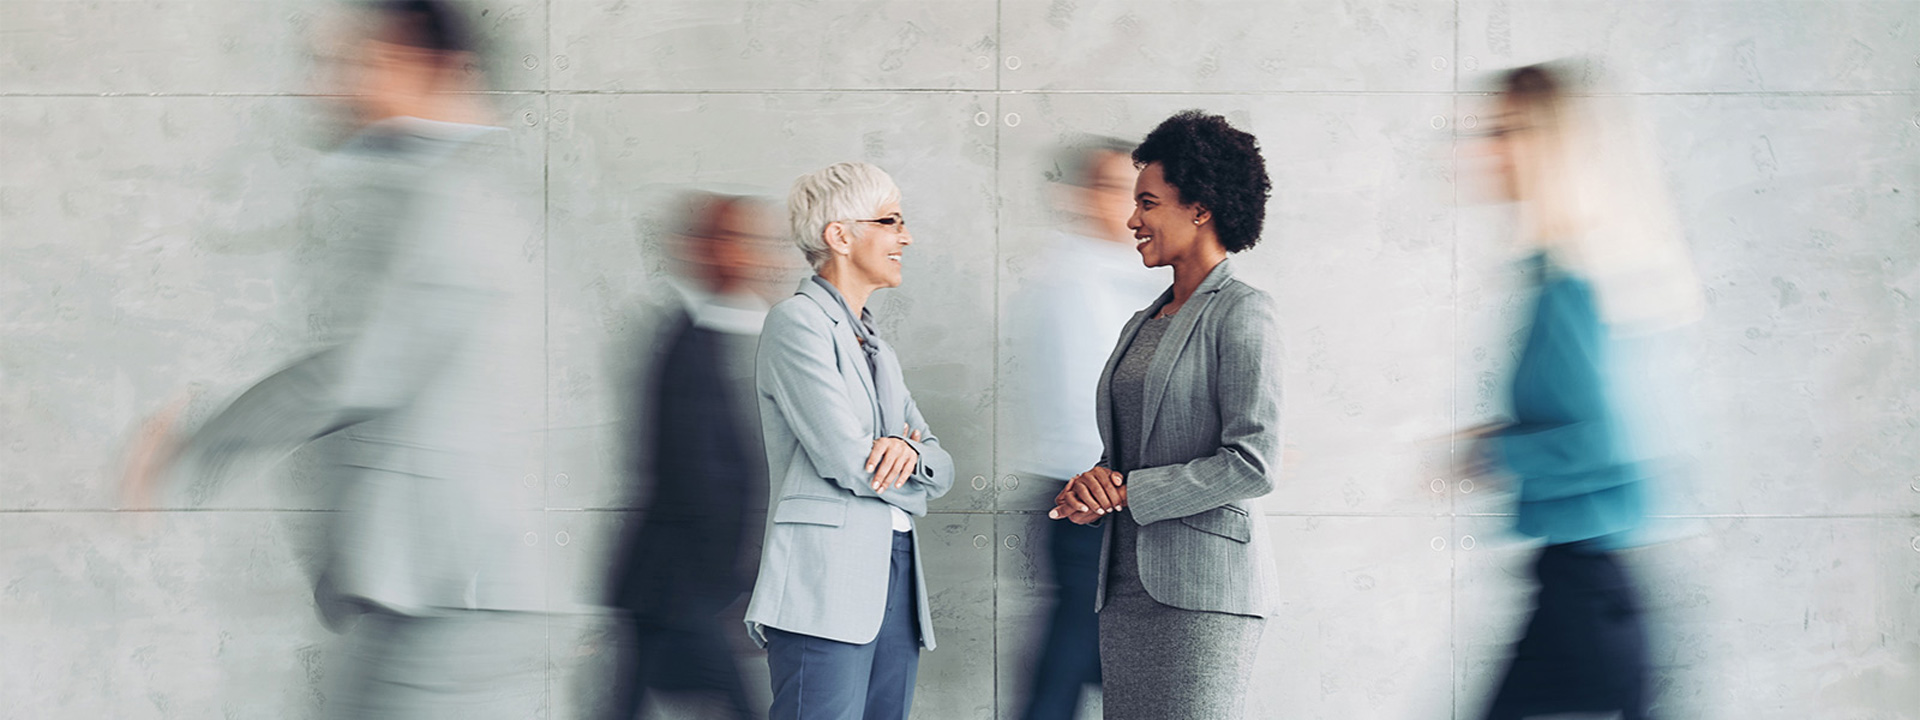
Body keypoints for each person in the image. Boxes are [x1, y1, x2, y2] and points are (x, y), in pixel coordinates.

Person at [119, 2, 548, 717]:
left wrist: (190, 449)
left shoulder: (451, 199)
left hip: (449, 593)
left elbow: (359, 373)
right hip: (444, 592)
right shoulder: (441, 188)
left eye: (368, 63)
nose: (338, 84)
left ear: (438, 70)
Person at [1464, 62, 1705, 720]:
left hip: (1586, 591)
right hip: (1591, 586)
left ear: (1555, 145)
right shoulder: (1587, 269)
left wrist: (1491, 453)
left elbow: (1604, 439)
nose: (1487, 150)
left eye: (1507, 131)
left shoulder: (1573, 280)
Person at [1047, 111, 1283, 720]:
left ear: (1200, 208)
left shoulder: (1242, 311)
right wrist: (1097, 486)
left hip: (1203, 593)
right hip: (1123, 588)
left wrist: (1129, 491)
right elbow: (1129, 450)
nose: (1132, 220)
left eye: (1147, 203)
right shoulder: (1142, 321)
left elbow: (1253, 463)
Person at [744, 162, 955, 720]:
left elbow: (943, 464)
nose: (906, 237)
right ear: (839, 235)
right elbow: (846, 459)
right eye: (891, 221)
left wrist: (908, 451)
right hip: (825, 581)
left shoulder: (879, 347)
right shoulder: (797, 323)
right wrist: (911, 466)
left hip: (898, 572)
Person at [602, 193, 784, 720]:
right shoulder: (687, 341)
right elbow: (697, 477)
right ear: (706, 248)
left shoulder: (713, 333)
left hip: (672, 588)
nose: (757, 255)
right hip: (680, 588)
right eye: (740, 240)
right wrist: (735, 585)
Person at [1006, 137, 1167, 720]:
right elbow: (1094, 402)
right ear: (1079, 195)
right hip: (1090, 499)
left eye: (1142, 195)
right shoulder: (1072, 281)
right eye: (1117, 190)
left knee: (1092, 659)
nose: (1133, 209)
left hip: (1111, 499)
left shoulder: (1125, 275)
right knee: (1073, 660)